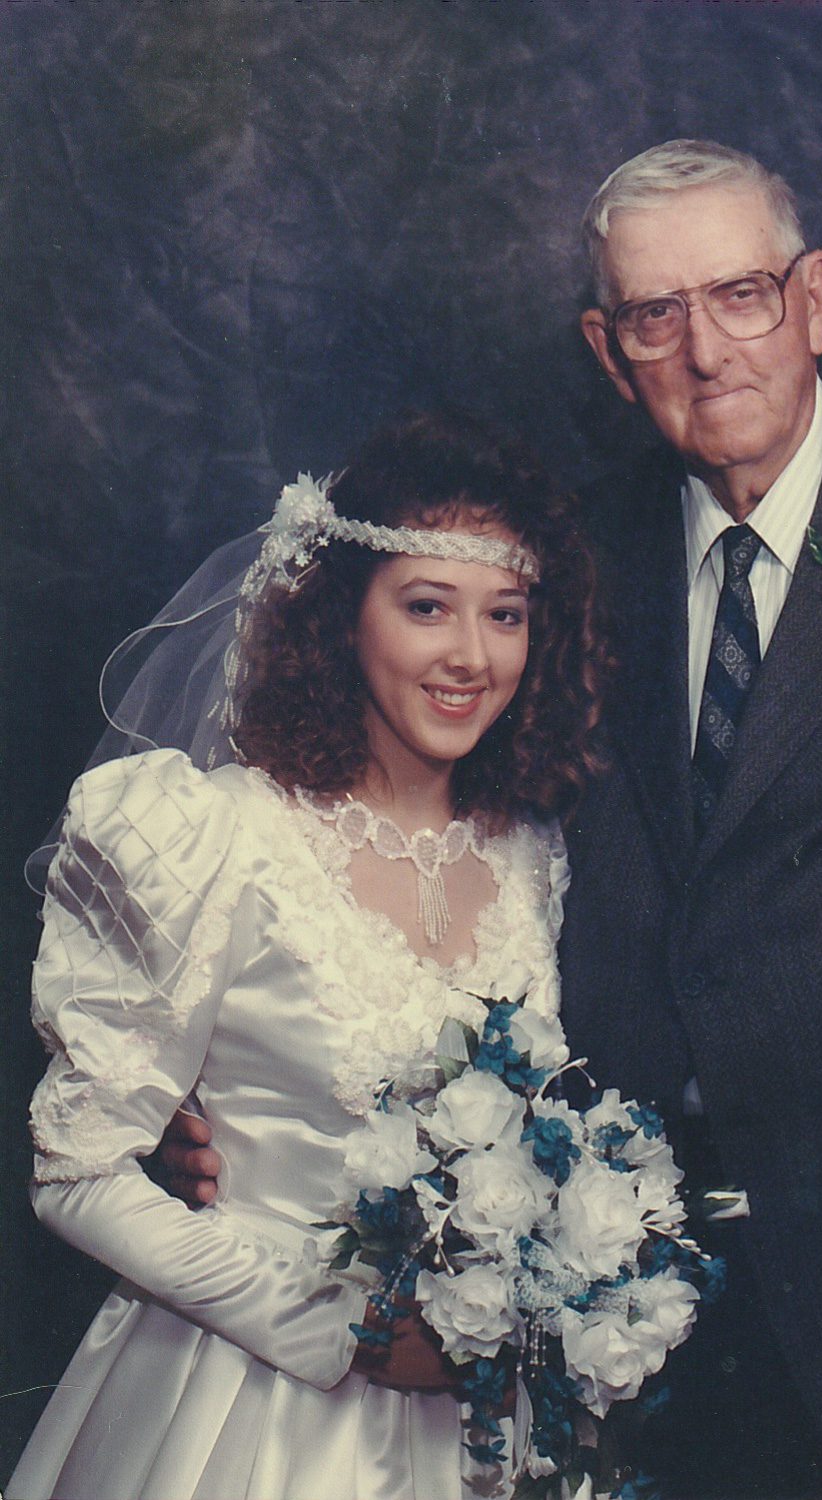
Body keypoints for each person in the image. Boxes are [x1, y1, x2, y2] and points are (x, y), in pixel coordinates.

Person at [156, 140, 822, 1500]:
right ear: (607, 347)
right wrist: (222, 1064)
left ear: (812, 299)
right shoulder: (565, 563)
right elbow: (422, 848)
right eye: (655, 316)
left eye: (741, 294)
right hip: (668, 1342)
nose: (705, 350)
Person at [7, 411, 607, 1500]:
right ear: (344, 615)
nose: (470, 656)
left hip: (486, 1421)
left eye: (505, 615)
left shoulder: (530, 850)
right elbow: (76, 1172)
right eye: (427, 607)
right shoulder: (213, 835)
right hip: (259, 1412)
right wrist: (342, 1333)